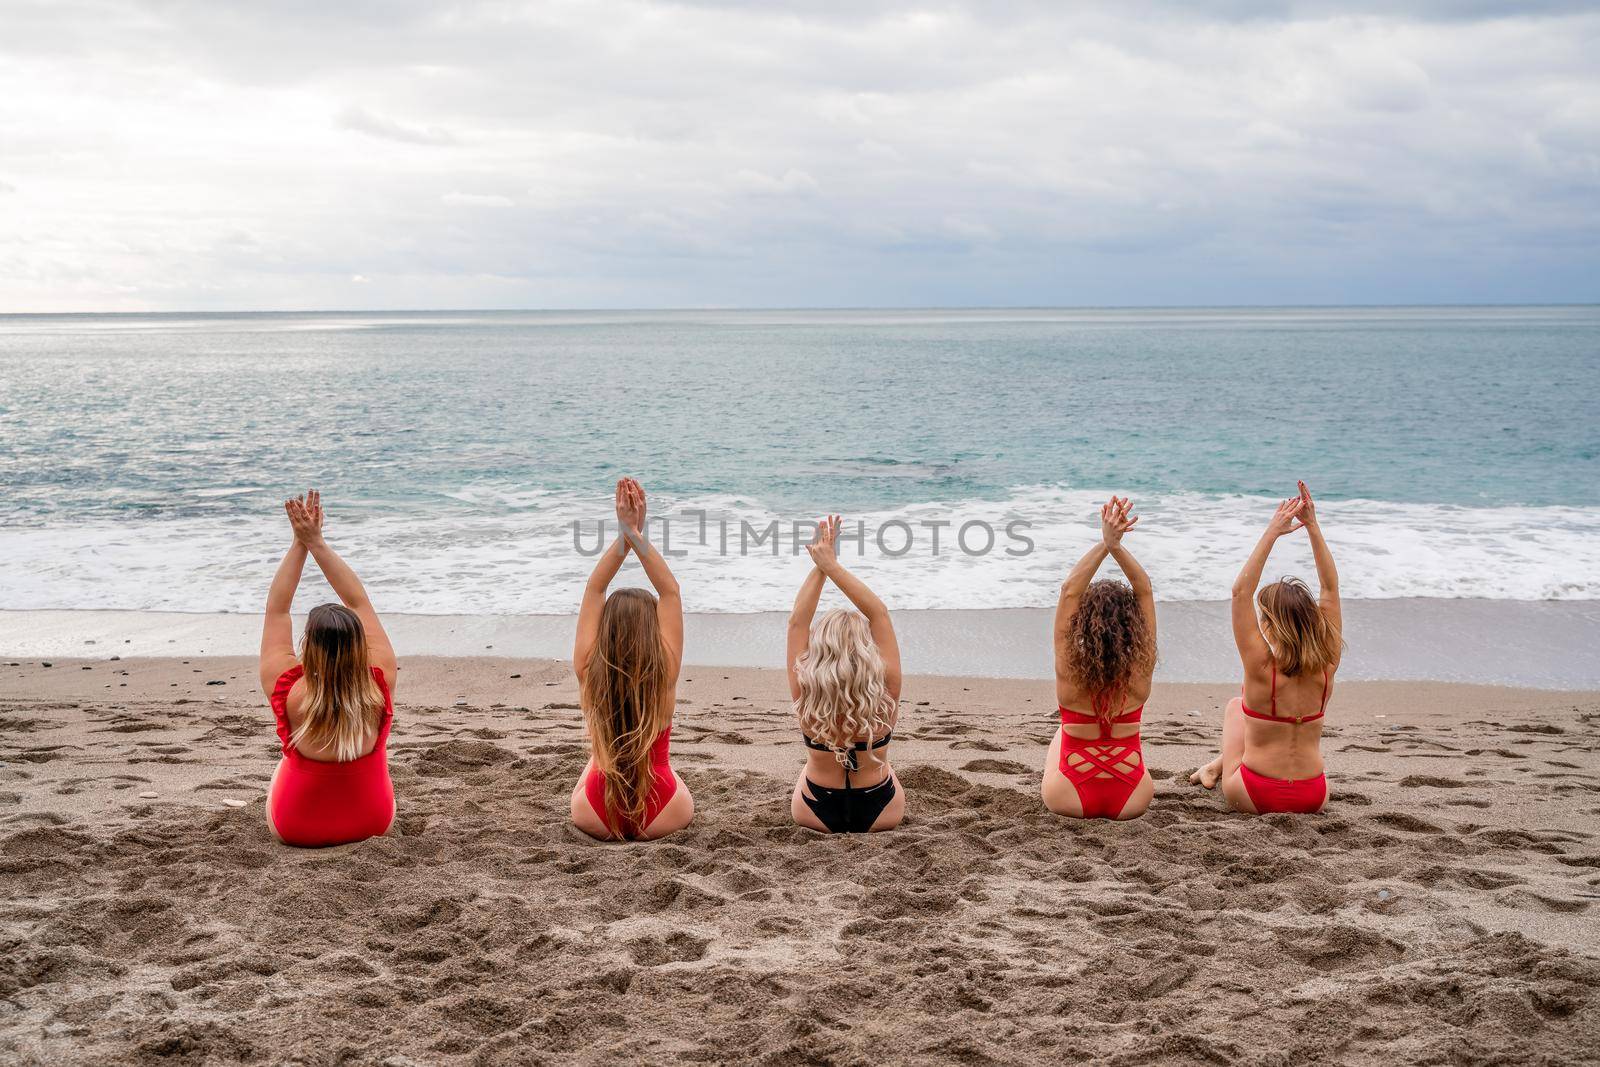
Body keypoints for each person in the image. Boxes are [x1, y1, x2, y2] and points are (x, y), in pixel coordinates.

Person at [1191, 481, 1344, 813]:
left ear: (1271, 624)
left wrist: (1273, 532)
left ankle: (1218, 768)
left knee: (1237, 706)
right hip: (1313, 795)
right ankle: (1214, 766)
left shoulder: (1261, 668)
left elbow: (1239, 593)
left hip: (1254, 793)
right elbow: (1330, 588)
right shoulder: (1328, 662)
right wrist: (1312, 527)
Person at [259, 490, 398, 847]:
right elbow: (358, 600)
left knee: (282, 765)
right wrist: (318, 542)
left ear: (309, 647)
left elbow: (277, 610)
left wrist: (299, 544)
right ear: (359, 645)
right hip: (372, 822)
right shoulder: (379, 679)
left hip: (297, 826)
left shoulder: (287, 688)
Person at [569, 478, 693, 840]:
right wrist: (636, 535)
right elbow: (669, 590)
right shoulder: (664, 670)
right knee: (667, 773)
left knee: (596, 762)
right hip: (663, 808)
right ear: (653, 630)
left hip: (596, 810)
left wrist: (622, 536)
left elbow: (594, 589)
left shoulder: (589, 667)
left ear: (604, 628)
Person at [786, 515, 904, 833]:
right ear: (867, 649)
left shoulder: (805, 685)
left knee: (808, 771)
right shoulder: (887, 689)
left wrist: (821, 564)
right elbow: (878, 612)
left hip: (814, 809)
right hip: (882, 808)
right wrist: (833, 565)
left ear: (820, 649)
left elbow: (797, 622)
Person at [1043, 497, 1158, 820]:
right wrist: (1116, 547)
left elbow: (1069, 591)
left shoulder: (1070, 672)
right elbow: (1144, 590)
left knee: (1061, 731)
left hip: (1069, 793)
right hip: (1132, 796)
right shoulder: (1141, 671)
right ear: (1132, 627)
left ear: (1084, 624)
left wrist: (1104, 543)